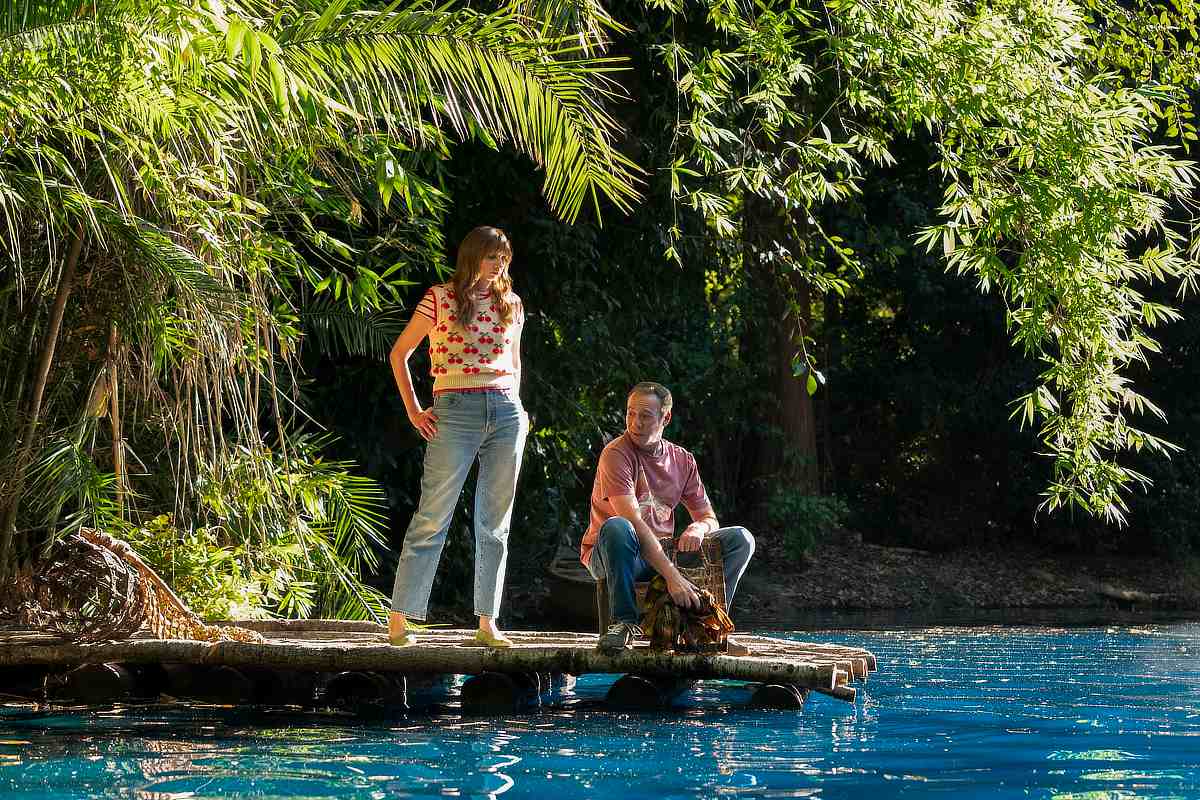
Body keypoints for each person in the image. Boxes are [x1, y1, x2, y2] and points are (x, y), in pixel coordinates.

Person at [387, 226, 529, 648]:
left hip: (505, 411)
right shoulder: (440, 298)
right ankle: (399, 620)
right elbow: (399, 353)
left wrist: (519, 408)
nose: (498, 265)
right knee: (433, 515)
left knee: (495, 523)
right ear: (472, 257)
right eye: (491, 257)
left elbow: (515, 363)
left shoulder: (512, 304)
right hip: (455, 409)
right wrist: (414, 410)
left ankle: (487, 624)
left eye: (503, 257)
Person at [581, 381, 755, 655]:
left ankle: (709, 623)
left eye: (646, 416)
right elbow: (634, 524)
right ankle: (624, 623)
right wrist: (673, 577)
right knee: (618, 526)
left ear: (666, 417)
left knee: (740, 539)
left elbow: (709, 517)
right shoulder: (615, 454)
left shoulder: (682, 459)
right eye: (630, 413)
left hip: (661, 552)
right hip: (614, 552)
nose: (635, 423)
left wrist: (698, 528)